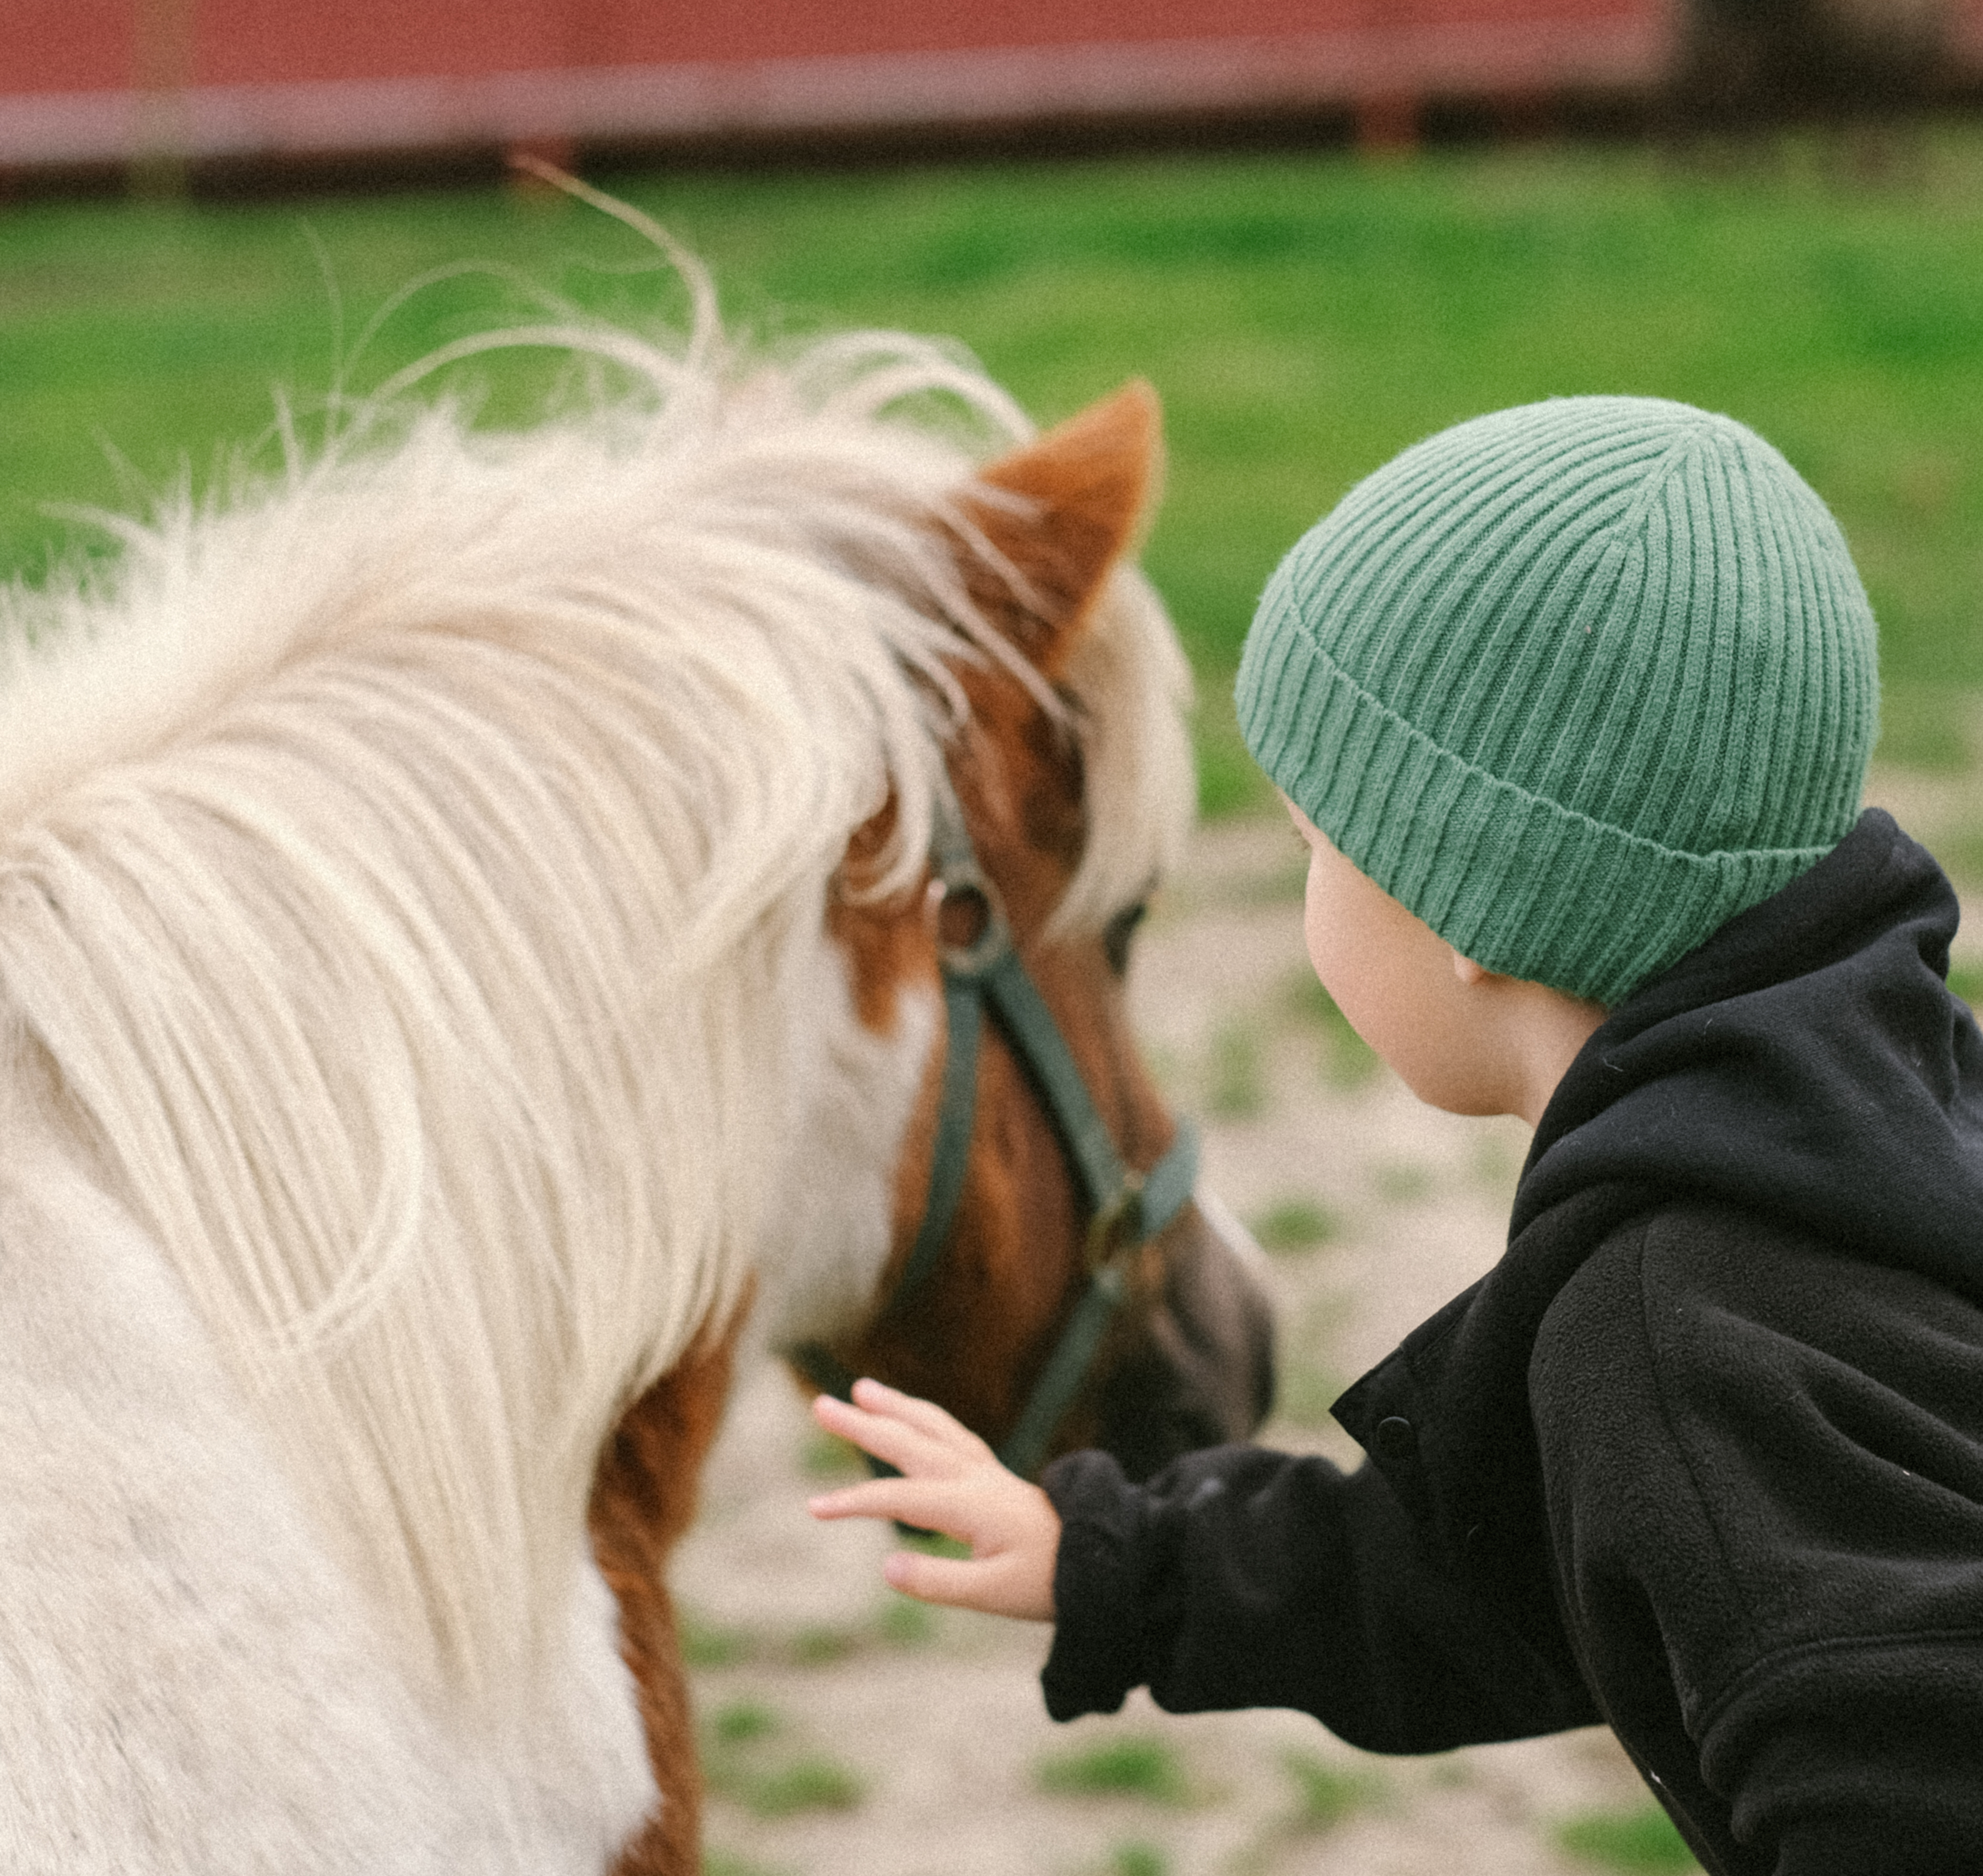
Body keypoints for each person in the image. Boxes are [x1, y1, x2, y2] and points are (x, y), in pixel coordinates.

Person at [808, 397, 1983, 1875]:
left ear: (1469, 906)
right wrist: (1122, 1564)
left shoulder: (1679, 1332)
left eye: (1317, 848)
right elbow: (1505, 1566)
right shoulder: (1851, 1115)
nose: (1306, 889)